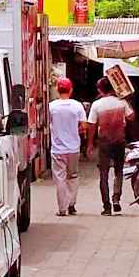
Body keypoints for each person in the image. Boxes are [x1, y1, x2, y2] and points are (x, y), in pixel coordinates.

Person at [86, 77, 134, 215]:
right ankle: (116, 198)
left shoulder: (97, 105)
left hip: (104, 143)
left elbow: (92, 125)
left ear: (100, 89)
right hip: (119, 141)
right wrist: (128, 100)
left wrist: (90, 144)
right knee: (119, 172)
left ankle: (106, 206)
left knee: (104, 174)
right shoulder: (122, 102)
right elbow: (131, 117)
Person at [48, 78, 88, 216]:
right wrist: (76, 131)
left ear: (58, 90)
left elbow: (47, 124)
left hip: (58, 149)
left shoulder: (51, 106)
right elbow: (84, 126)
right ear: (71, 90)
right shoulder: (77, 106)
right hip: (74, 148)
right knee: (73, 176)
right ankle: (72, 204)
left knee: (60, 178)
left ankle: (62, 208)